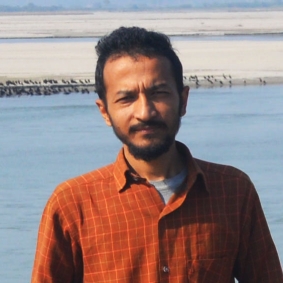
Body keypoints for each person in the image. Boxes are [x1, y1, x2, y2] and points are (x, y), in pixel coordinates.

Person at [31, 27, 283, 283]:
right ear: (104, 111)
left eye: (158, 93)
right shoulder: (72, 205)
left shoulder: (233, 191)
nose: (145, 112)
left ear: (183, 100)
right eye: (126, 98)